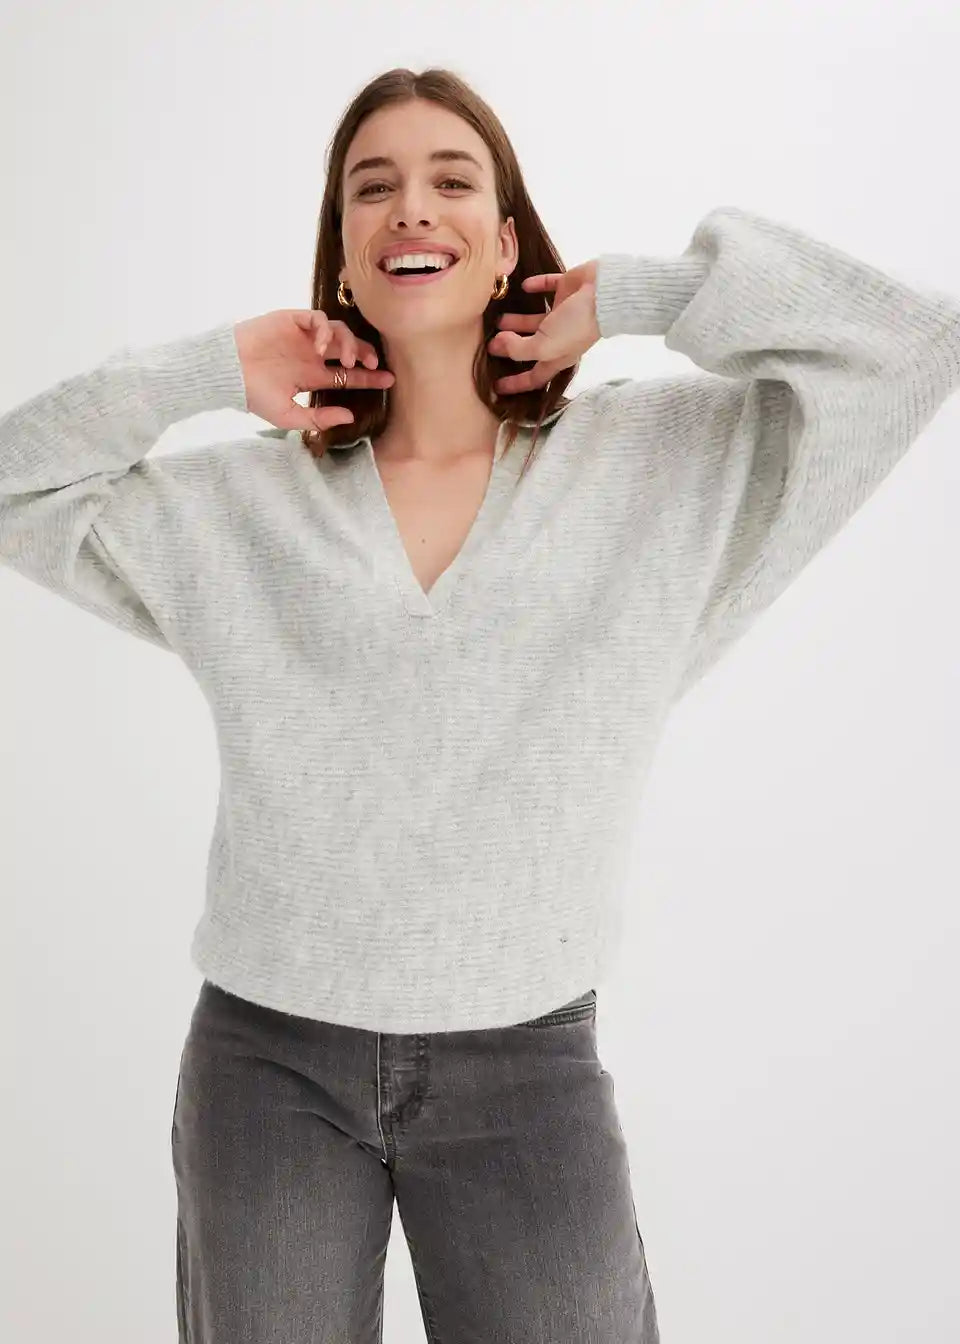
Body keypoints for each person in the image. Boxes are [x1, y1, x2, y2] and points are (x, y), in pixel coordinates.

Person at [3, 65, 959, 1344]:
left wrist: (636, 296)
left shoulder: (654, 471)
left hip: (530, 1068)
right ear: (344, 254)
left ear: (508, 244)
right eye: (373, 187)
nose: (413, 207)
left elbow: (909, 346)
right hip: (266, 1067)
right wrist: (209, 369)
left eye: (452, 181)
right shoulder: (240, 508)